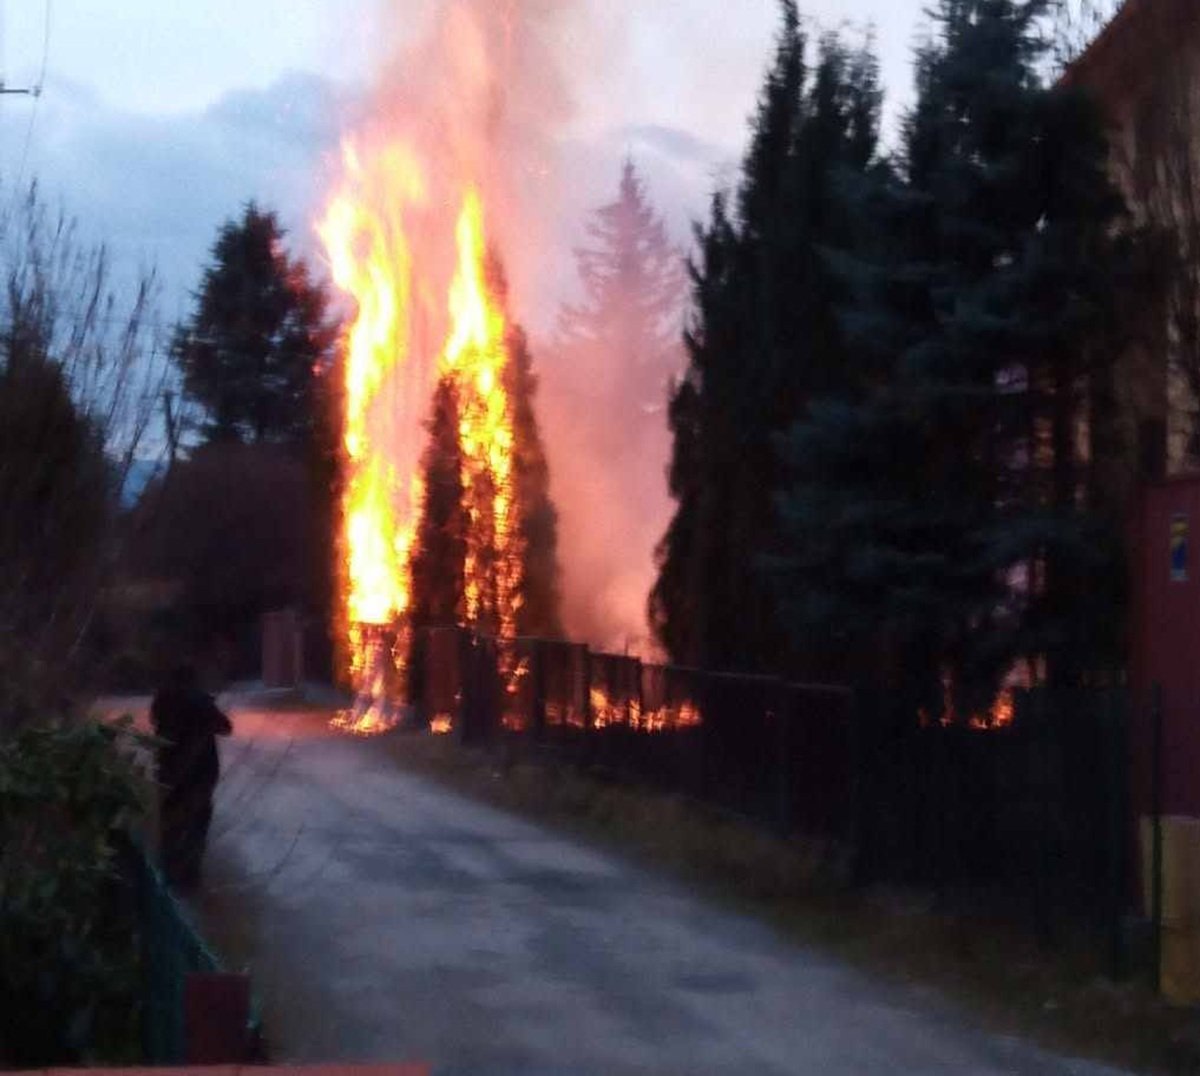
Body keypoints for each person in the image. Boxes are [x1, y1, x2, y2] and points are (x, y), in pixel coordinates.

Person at [150, 664, 233, 889]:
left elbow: (156, 725)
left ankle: (168, 878)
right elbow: (226, 727)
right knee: (195, 826)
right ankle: (188, 879)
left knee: (171, 825)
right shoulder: (200, 702)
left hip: (170, 773)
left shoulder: (163, 699)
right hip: (198, 775)